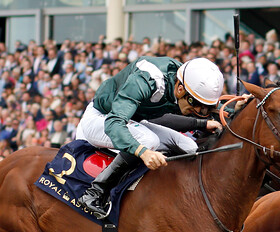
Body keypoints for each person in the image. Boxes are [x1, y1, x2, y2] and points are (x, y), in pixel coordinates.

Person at [76, 57, 225, 218]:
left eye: (204, 107)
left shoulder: (187, 81)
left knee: (189, 146)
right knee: (148, 141)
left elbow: (160, 117)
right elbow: (115, 123)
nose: (198, 110)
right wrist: (143, 152)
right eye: (195, 104)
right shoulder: (148, 79)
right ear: (180, 89)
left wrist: (222, 115)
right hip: (101, 119)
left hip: (134, 121)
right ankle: (95, 192)